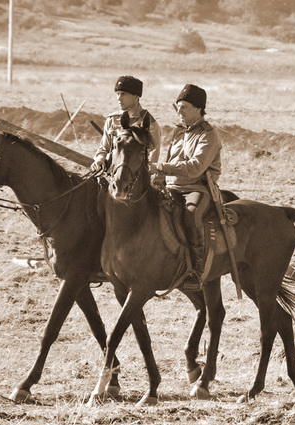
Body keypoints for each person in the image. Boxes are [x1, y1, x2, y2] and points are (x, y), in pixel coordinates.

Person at [151, 84, 221, 288]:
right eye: (178, 107)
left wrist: (161, 167)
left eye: (185, 107)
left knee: (190, 215)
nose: (179, 111)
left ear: (199, 109)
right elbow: (170, 160)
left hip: (196, 189)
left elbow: (195, 168)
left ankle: (196, 269)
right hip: (172, 187)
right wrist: (159, 178)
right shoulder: (179, 131)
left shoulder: (209, 134)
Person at [91, 75, 161, 173]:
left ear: (136, 97)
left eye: (123, 94)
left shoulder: (149, 124)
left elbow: (152, 159)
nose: (119, 98)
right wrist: (99, 159)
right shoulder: (112, 120)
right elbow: (104, 148)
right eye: (117, 94)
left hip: (134, 178)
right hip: (110, 173)